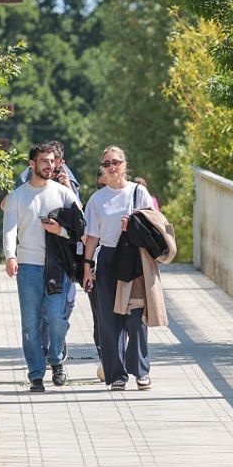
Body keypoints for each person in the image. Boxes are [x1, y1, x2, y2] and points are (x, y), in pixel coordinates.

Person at [3, 142, 83, 392]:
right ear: (32, 164)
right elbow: (9, 229)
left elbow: (82, 228)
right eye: (44, 161)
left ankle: (56, 359)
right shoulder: (18, 196)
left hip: (57, 266)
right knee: (30, 323)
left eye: (52, 161)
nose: (49, 166)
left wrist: (59, 230)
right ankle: (36, 374)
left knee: (57, 319)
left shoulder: (64, 194)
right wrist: (10, 256)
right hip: (28, 266)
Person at [82, 146, 156, 391]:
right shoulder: (97, 200)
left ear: (125, 164)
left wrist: (133, 226)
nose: (112, 167)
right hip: (108, 258)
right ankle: (116, 375)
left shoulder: (139, 193)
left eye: (116, 162)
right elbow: (91, 237)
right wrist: (87, 268)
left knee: (136, 319)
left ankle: (141, 371)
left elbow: (154, 226)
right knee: (109, 320)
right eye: (106, 164)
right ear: (102, 169)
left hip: (134, 258)